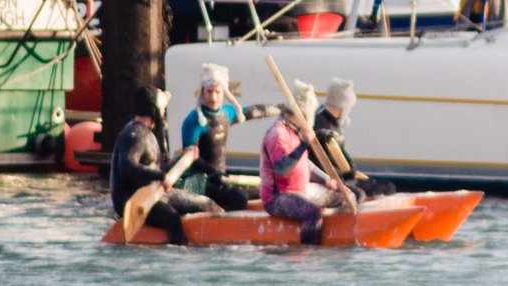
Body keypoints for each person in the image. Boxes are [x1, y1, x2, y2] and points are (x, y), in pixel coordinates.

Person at [109, 105, 222, 242]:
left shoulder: (150, 133)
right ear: (153, 109)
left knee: (206, 203)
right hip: (133, 200)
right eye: (162, 108)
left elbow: (161, 165)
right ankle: (180, 250)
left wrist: (184, 157)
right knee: (172, 217)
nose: (164, 111)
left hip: (155, 192)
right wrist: (161, 176)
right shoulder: (132, 134)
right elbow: (127, 166)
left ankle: (224, 231)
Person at [260, 82, 350, 244]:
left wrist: (327, 180)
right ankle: (307, 250)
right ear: (301, 113)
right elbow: (281, 169)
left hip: (302, 190)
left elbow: (305, 164)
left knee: (346, 196)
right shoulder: (278, 134)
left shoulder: (296, 132)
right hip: (278, 197)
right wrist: (304, 145)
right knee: (313, 213)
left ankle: (342, 235)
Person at [179, 65, 263, 211]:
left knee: (260, 190)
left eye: (217, 92)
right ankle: (221, 224)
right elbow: (190, 160)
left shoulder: (227, 112)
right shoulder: (194, 120)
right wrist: (212, 171)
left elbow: (254, 111)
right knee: (239, 197)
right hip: (200, 180)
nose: (213, 97)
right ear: (202, 93)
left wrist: (285, 107)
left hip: (219, 175)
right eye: (209, 92)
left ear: (223, 93)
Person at [310, 79, 385, 196]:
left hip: (337, 178)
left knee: (378, 185)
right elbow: (331, 160)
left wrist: (351, 172)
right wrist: (350, 174)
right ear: (343, 105)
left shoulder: (324, 120)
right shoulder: (325, 127)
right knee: (366, 192)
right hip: (331, 181)